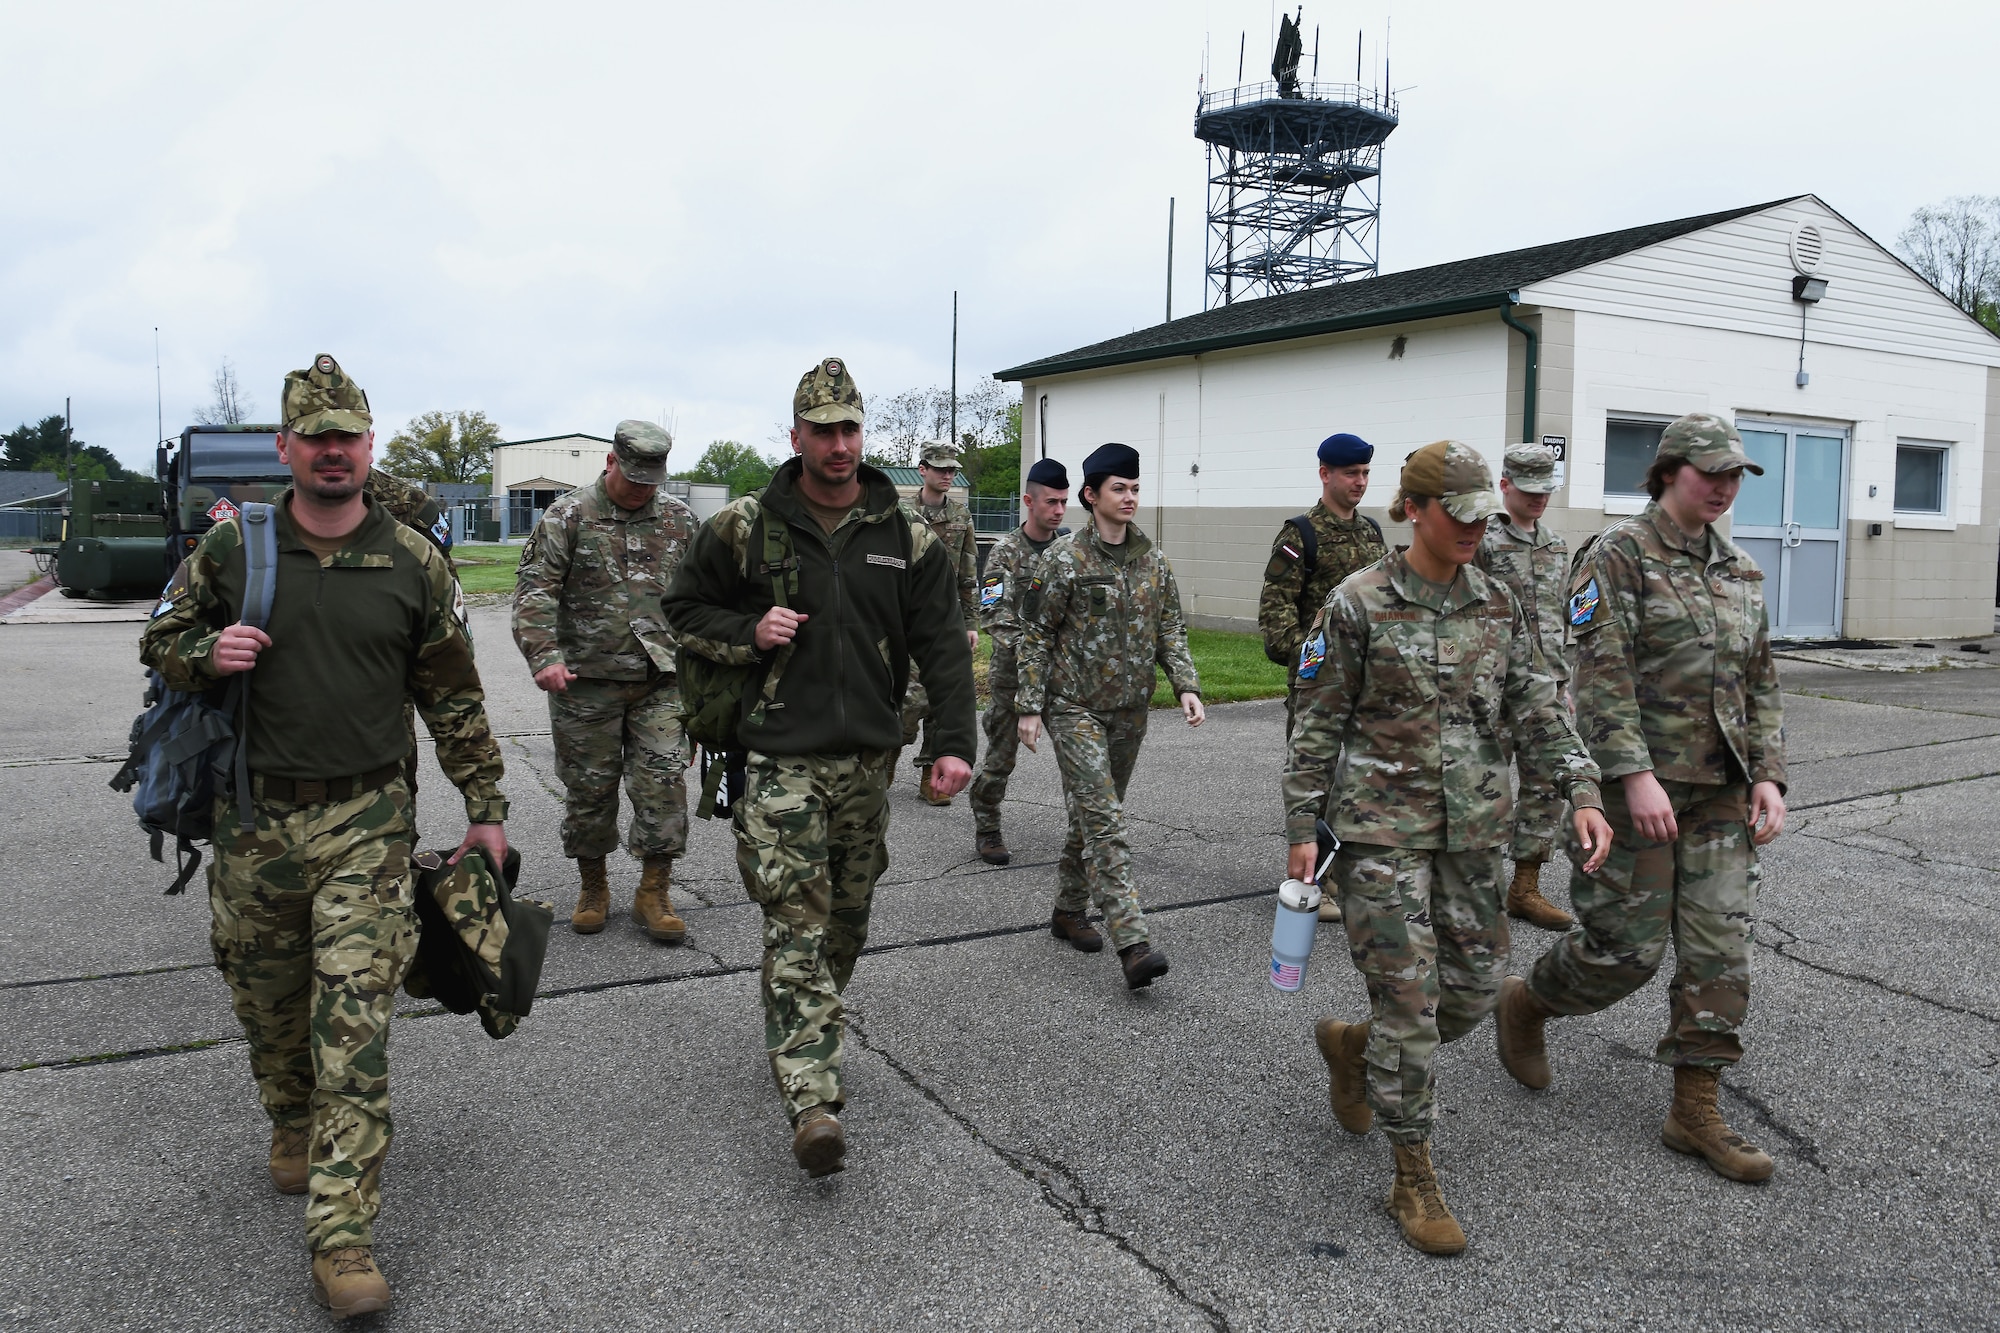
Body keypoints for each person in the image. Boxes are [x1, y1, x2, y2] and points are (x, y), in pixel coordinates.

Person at [139, 353, 507, 1319]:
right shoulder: (233, 551)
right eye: (317, 436)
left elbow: (453, 696)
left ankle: (343, 1238)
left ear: (369, 445)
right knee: (267, 1002)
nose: (334, 451)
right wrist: (204, 651)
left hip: (370, 824)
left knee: (355, 1025)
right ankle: (289, 1117)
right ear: (286, 447)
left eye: (349, 435)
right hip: (254, 821)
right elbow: (159, 640)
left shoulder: (414, 561)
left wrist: (487, 808)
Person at [1283, 439, 1609, 1257]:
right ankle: (1413, 1176)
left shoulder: (1500, 602)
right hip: (1378, 835)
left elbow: (1538, 706)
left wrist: (1581, 789)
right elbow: (1315, 722)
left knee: (1465, 995)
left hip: (1473, 830)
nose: (1471, 530)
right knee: (1410, 1004)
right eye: (1456, 514)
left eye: (1479, 517)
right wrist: (1300, 829)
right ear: (1417, 509)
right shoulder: (1355, 602)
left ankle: (1353, 1049)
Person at [662, 356, 976, 1177]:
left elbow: (942, 644)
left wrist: (953, 741)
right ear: (795, 434)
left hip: (869, 759)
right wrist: (747, 630)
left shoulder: (905, 536)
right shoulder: (742, 526)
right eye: (822, 430)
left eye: (849, 428)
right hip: (778, 758)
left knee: (847, 920)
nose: (838, 444)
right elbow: (682, 608)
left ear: (861, 434)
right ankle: (813, 1100)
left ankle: (804, 1022)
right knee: (796, 921)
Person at [1497, 412, 1788, 1184]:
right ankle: (1528, 1003)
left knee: (1719, 949)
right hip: (1639, 793)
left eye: (1734, 476)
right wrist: (1631, 772)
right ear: (1667, 472)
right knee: (1623, 953)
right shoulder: (1617, 555)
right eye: (1709, 473)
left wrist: (1768, 772)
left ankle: (1694, 1107)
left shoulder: (1741, 568)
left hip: (1720, 793)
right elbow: (1599, 676)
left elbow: (1759, 680)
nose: (1723, 488)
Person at [1015, 442, 1203, 989]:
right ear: (1091, 496)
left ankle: (1069, 909)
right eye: (1119, 489)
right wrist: (1029, 706)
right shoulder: (1064, 558)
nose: (1130, 498)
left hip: (1130, 711)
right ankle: (1133, 940)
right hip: (1073, 708)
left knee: (1093, 815)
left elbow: (1170, 629)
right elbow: (1036, 634)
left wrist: (1186, 685)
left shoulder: (1153, 560)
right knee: (1105, 820)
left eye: (1136, 488)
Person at [512, 421, 700, 941]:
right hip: (584, 681)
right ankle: (593, 886)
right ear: (611, 462)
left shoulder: (681, 520)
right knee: (589, 790)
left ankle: (653, 891)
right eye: (634, 477)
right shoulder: (568, 515)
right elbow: (535, 591)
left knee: (664, 785)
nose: (642, 489)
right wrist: (543, 654)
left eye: (651, 480)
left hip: (660, 680)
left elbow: (702, 599)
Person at [1257, 432, 1387, 925]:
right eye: (1351, 473)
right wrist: (1311, 665)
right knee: (1319, 781)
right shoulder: (1300, 535)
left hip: (1370, 686)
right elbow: (1275, 617)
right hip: (1321, 687)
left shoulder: (1372, 533)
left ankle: (1350, 874)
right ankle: (1314, 880)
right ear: (1325, 474)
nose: (1360, 482)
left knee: (1363, 781)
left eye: (1365, 473)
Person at [1474, 443, 1578, 932]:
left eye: (1547, 490)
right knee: (1483, 787)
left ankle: (1525, 888)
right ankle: (1473, 889)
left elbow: (1560, 616)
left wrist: (1564, 682)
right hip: (1492, 690)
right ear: (1505, 485)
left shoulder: (1556, 545)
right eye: (1531, 490)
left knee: (1545, 789)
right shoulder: (1483, 544)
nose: (1540, 499)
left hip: (1547, 689)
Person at [966, 457, 1070, 865]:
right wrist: (1034, 652)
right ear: (1029, 501)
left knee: (1079, 759)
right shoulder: (1004, 553)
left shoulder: (1069, 549)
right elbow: (994, 614)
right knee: (1000, 758)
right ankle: (988, 826)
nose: (1059, 510)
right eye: (1051, 502)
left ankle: (1090, 833)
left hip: (1062, 676)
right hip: (1013, 675)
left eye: (1063, 502)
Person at [899, 440, 980, 805]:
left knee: (940, 695)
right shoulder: (900, 513)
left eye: (952, 469)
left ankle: (931, 775)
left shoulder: (961, 516)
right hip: (904, 617)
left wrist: (970, 621)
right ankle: (886, 750)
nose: (947, 474)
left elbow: (968, 572)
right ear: (923, 470)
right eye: (940, 468)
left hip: (944, 618)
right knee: (904, 696)